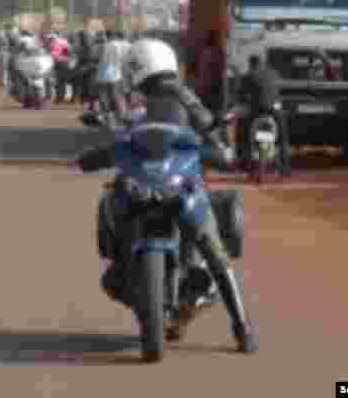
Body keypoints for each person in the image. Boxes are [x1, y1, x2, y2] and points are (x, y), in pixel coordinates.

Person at [77, 38, 256, 353]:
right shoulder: (142, 101)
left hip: (180, 176)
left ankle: (242, 327)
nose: (129, 75)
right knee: (115, 200)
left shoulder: (180, 95)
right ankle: (240, 331)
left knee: (213, 251)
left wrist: (217, 148)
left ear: (139, 68)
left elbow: (208, 128)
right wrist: (106, 143)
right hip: (149, 175)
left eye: (131, 68)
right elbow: (124, 130)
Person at [237, 54, 291, 176]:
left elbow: (241, 95)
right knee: (283, 135)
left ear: (251, 64)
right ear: (262, 63)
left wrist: (244, 101)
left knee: (244, 130)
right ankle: (285, 167)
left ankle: (245, 162)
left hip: (258, 108)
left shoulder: (248, 75)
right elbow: (280, 89)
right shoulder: (274, 73)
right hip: (275, 108)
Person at [197, 29, 227, 114]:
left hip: (204, 88)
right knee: (215, 111)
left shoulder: (204, 52)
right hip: (214, 87)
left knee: (206, 112)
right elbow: (221, 69)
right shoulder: (219, 52)